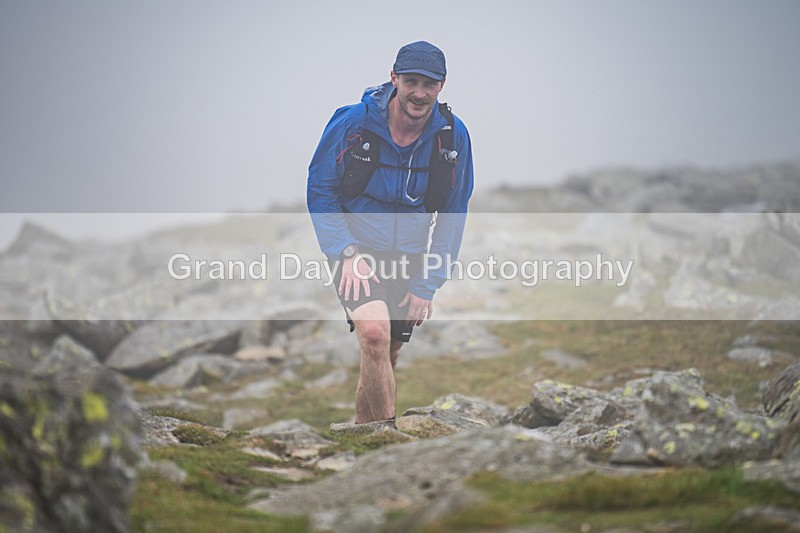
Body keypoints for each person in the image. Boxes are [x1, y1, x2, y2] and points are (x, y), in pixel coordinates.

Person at [307, 41, 474, 424]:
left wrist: (428, 282)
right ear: (394, 78)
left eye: (428, 84)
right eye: (411, 81)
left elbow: (453, 211)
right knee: (375, 335)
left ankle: (362, 437)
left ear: (442, 85)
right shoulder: (353, 122)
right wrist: (344, 252)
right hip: (356, 251)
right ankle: (385, 445)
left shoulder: (452, 137)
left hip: (411, 258)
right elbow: (320, 189)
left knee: (386, 354)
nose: (419, 92)